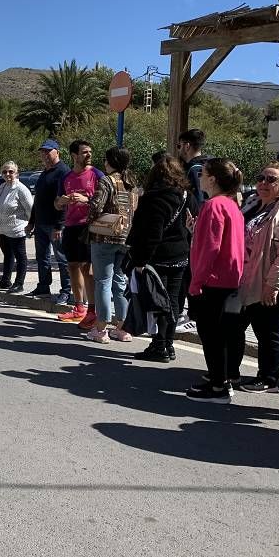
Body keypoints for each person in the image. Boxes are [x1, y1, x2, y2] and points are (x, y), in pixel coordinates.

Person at [234, 161, 279, 393]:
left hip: (270, 282)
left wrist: (272, 285)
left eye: (271, 179)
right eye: (261, 177)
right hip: (248, 279)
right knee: (236, 326)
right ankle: (230, 373)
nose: (263, 183)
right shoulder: (254, 204)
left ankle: (268, 379)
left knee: (269, 331)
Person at [186, 158, 245, 403]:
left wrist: (196, 281)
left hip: (213, 279)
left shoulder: (213, 205)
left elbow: (211, 248)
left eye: (203, 173)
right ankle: (218, 378)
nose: (199, 177)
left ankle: (219, 386)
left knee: (210, 334)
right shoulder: (231, 205)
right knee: (218, 332)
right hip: (229, 278)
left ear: (212, 179)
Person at [126, 155, 193, 362]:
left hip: (158, 258)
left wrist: (140, 261)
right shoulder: (185, 195)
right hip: (180, 255)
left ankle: (159, 345)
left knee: (158, 303)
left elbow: (152, 234)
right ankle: (169, 344)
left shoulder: (153, 199)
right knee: (173, 302)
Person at [85, 147, 137, 344]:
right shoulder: (131, 182)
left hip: (105, 236)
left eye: (106, 160)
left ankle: (101, 329)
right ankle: (122, 328)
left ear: (112, 161)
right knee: (119, 281)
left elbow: (96, 206)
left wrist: (89, 218)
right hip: (125, 238)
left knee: (102, 282)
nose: (104, 163)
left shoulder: (106, 181)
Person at [53, 139, 102, 326]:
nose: (88, 155)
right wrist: (62, 201)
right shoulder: (66, 178)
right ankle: (79, 307)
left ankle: (92, 311)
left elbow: (105, 201)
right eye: (84, 152)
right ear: (74, 156)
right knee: (72, 266)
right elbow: (56, 203)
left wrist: (86, 199)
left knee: (87, 269)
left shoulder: (97, 174)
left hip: (89, 226)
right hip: (71, 227)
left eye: (90, 151)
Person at [27, 139, 72, 304]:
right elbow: (37, 200)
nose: (45, 155)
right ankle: (43, 286)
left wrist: (60, 225)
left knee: (61, 258)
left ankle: (66, 291)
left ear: (57, 152)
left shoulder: (63, 172)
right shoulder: (44, 173)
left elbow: (64, 201)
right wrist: (32, 221)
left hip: (56, 224)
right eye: (42, 152)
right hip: (40, 223)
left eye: (48, 151)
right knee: (42, 257)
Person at [0, 160, 32, 292]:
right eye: (4, 171)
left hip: (17, 229)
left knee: (20, 256)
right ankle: (5, 280)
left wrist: (30, 225)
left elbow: (30, 209)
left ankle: (19, 283)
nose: (8, 174)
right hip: (2, 229)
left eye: (11, 171)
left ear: (17, 173)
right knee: (7, 255)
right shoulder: (2, 187)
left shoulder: (21, 189)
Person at [176, 128, 209, 212]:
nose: (178, 150)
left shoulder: (193, 170)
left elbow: (197, 201)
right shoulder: (210, 165)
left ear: (187, 146)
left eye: (179, 146)